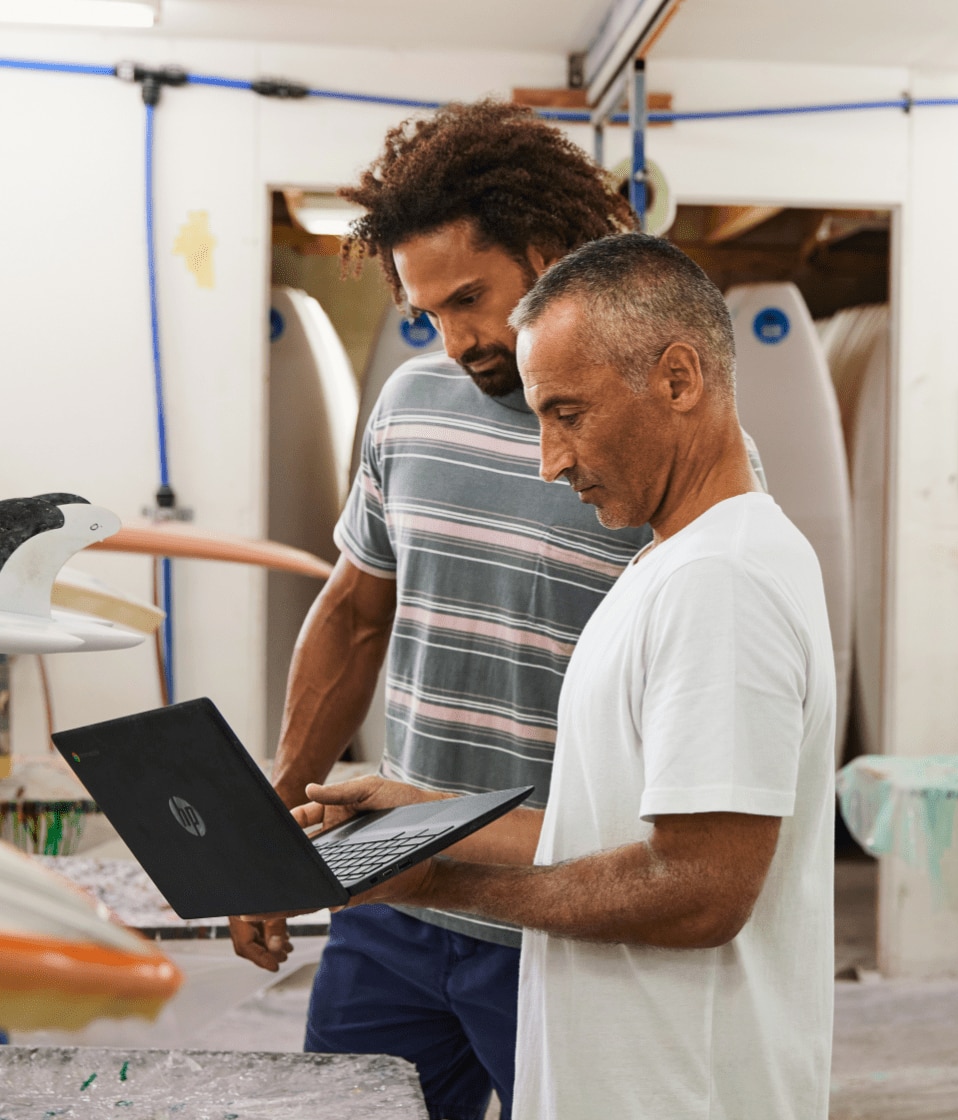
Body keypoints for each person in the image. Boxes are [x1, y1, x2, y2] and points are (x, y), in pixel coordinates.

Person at [283, 234, 837, 1119]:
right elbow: (608, 827)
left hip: (677, 1092)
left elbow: (701, 891)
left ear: (679, 380)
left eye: (568, 414)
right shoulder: (673, 562)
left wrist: (437, 884)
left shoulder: (720, 582)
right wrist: (426, 819)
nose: (549, 459)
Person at [228, 101, 650, 1120]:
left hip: (560, 915)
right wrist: (272, 824)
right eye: (429, 313)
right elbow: (354, 615)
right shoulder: (412, 406)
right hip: (397, 898)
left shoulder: (654, 438)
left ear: (549, 254)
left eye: (472, 298)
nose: (456, 338)